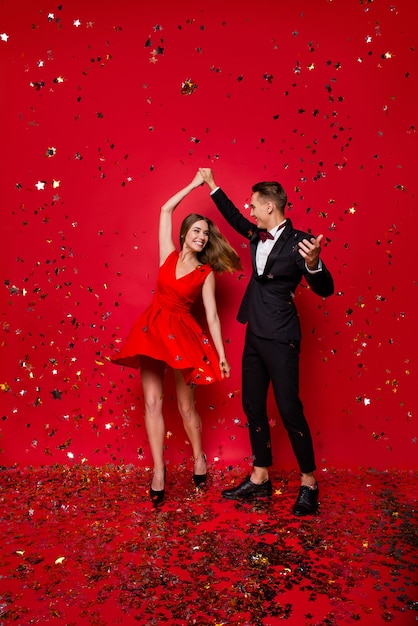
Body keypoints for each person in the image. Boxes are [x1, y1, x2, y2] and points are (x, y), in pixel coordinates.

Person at [199, 167, 334, 516]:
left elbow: (325, 289)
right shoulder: (256, 232)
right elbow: (231, 218)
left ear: (271, 206)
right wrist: (214, 186)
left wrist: (315, 264)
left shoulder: (300, 242)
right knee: (253, 405)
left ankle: (309, 482)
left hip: (281, 335)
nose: (251, 210)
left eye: (255, 205)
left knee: (289, 409)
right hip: (255, 332)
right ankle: (260, 477)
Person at [112, 171, 242, 506]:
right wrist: (194, 185)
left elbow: (212, 316)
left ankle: (199, 458)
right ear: (185, 235)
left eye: (205, 233)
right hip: (153, 331)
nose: (202, 236)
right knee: (152, 403)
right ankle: (159, 471)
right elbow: (165, 211)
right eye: (197, 231)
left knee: (186, 407)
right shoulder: (167, 254)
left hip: (184, 337)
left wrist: (222, 354)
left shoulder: (205, 273)